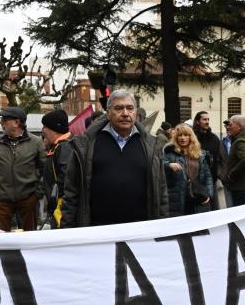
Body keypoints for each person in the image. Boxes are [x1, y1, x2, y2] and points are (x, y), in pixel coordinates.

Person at [61, 89, 168, 227]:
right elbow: (71, 193)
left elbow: (161, 192)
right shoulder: (86, 145)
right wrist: (67, 229)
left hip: (141, 230)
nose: (125, 113)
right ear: (108, 113)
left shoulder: (151, 146)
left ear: (136, 112)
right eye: (119, 108)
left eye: (130, 108)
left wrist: (163, 228)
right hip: (98, 231)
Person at [0, 106, 44, 231]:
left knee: (30, 236)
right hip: (2, 199)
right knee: (0, 234)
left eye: (4, 120)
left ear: (16, 123)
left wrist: (37, 194)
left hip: (28, 198)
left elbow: (45, 171)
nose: (1, 123)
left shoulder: (36, 142)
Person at [163, 124, 215, 217]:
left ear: (191, 137)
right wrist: (168, 165)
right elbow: (159, 166)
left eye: (185, 135)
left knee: (198, 224)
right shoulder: (169, 153)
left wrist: (208, 195)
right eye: (180, 135)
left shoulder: (200, 154)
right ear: (176, 138)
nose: (182, 138)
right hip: (177, 199)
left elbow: (208, 177)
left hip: (198, 197)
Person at [41, 109, 73, 228]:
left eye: (45, 126)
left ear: (54, 129)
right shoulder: (59, 146)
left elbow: (66, 183)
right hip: (58, 208)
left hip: (62, 211)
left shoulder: (64, 147)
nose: (42, 130)